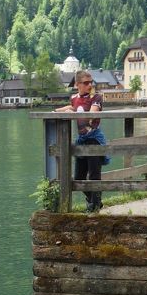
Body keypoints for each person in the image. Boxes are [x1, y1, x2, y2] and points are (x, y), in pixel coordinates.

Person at [55, 70, 108, 212]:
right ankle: (94, 200)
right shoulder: (74, 98)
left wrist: (72, 113)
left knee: (94, 174)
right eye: (86, 83)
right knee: (78, 177)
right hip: (82, 140)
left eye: (91, 82)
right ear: (77, 84)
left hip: (94, 139)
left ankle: (95, 205)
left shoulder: (96, 97)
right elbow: (73, 107)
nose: (89, 85)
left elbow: (92, 112)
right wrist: (57, 111)